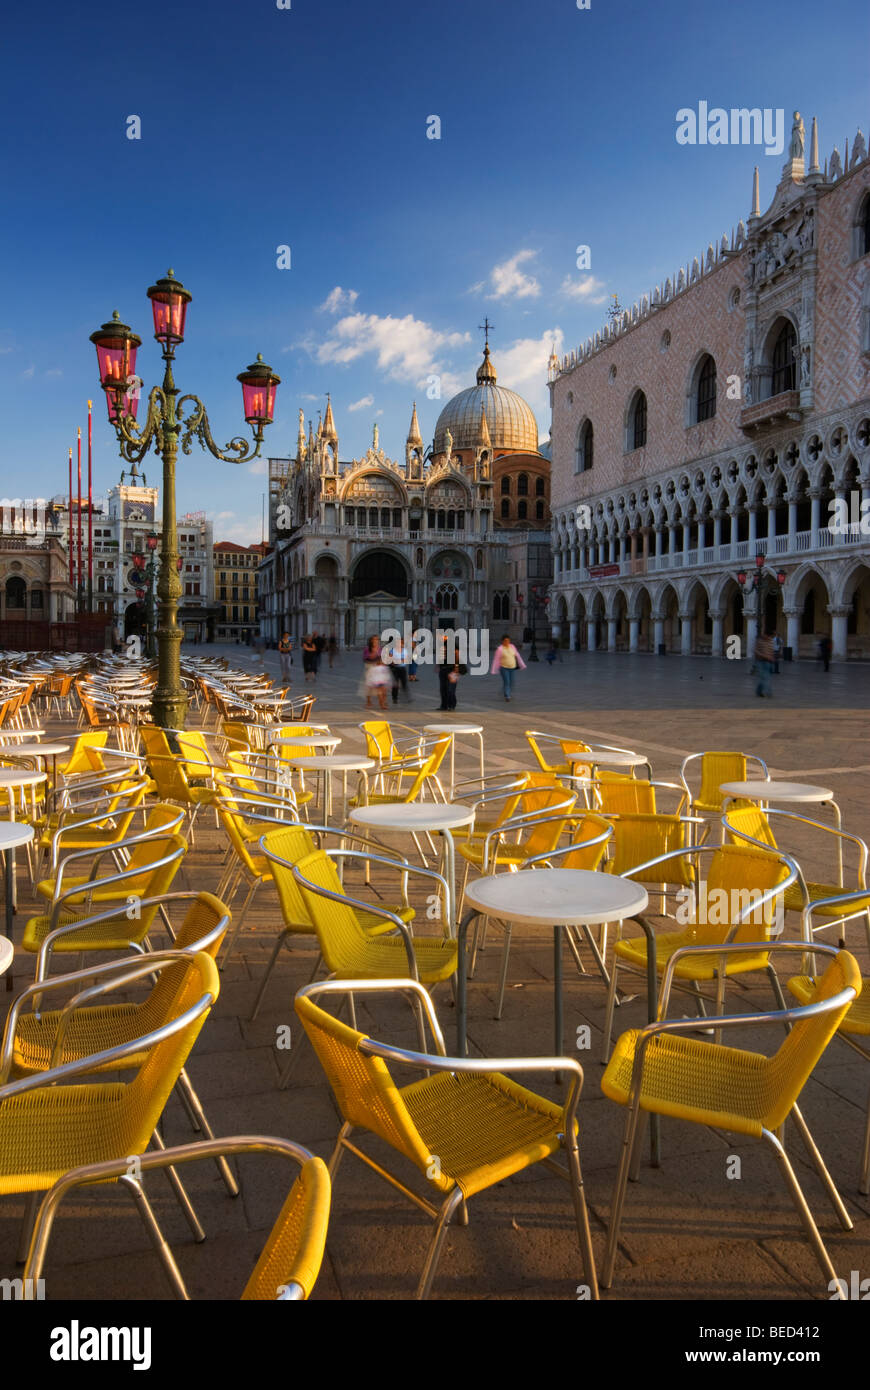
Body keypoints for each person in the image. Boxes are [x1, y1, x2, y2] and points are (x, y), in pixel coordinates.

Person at [491, 634, 527, 702]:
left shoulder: (512, 647)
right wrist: (494, 669)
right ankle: (507, 696)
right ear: (502, 641)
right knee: (507, 681)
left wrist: (522, 664)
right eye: (505, 641)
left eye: (508, 640)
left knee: (511, 682)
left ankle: (505, 692)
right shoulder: (500, 649)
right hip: (504, 668)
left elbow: (517, 656)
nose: (507, 642)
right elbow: (496, 660)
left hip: (512, 668)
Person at [753, 630, 775, 698]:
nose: (769, 637)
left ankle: (758, 691)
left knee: (764, 678)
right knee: (765, 677)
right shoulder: (759, 641)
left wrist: (771, 657)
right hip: (760, 661)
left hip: (768, 662)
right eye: (768, 636)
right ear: (765, 635)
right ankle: (768, 693)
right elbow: (756, 651)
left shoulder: (771, 641)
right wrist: (764, 656)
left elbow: (771, 650)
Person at [390, 636, 410, 704]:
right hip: (395, 669)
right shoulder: (392, 650)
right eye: (399, 642)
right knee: (395, 684)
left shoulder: (405, 650)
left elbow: (406, 659)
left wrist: (397, 660)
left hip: (402, 668)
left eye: (402, 642)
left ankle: (406, 697)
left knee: (404, 683)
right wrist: (399, 660)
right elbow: (390, 661)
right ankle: (394, 698)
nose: (401, 644)